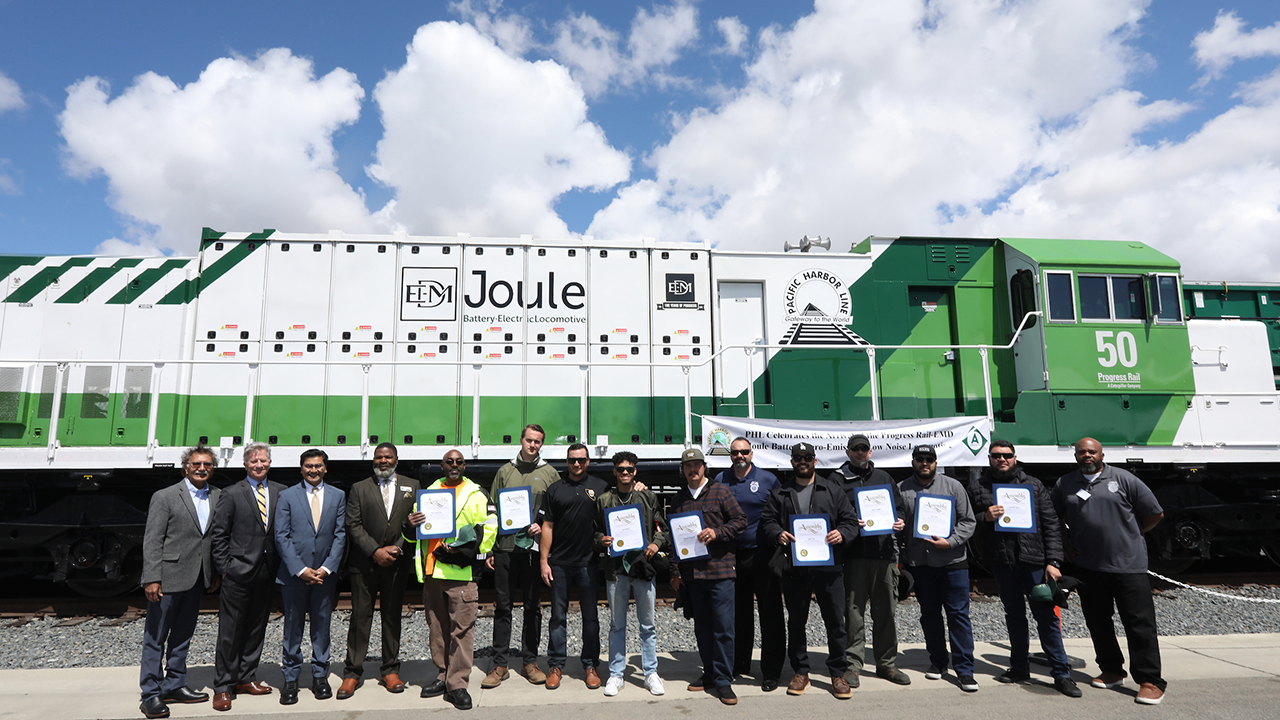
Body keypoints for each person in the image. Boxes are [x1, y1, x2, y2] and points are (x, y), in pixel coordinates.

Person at [1052, 437, 1166, 705]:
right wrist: (1066, 545)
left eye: (1092, 451)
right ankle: (1112, 670)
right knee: (1098, 621)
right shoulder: (1065, 483)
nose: (1087, 455)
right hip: (1088, 566)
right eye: (1081, 452)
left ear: (1102, 454)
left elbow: (1155, 514)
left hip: (1128, 565)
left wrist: (1131, 535)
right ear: (1075, 455)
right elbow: (1054, 517)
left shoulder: (1124, 479)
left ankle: (1150, 680)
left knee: (1139, 624)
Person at [966, 441, 1079, 697]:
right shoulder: (978, 487)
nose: (1002, 460)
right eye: (997, 456)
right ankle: (1019, 667)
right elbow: (965, 523)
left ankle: (1061, 674)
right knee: (1014, 616)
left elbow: (1051, 524)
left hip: (1034, 563)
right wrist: (985, 516)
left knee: (1047, 617)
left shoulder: (1034, 485)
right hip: (1002, 563)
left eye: (1007, 456)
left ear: (1015, 458)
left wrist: (1054, 562)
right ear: (990, 458)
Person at [760, 442, 859, 700]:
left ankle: (838, 672)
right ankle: (801, 671)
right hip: (796, 568)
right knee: (796, 622)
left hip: (829, 567)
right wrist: (777, 534)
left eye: (807, 457)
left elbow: (850, 521)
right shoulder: (781, 492)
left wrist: (842, 533)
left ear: (815, 460)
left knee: (836, 622)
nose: (802, 461)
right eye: (797, 458)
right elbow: (767, 522)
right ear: (792, 462)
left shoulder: (832, 490)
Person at [406, 449, 498, 711]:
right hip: (433, 571)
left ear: (465, 466)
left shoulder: (477, 493)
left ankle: (457, 684)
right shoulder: (430, 492)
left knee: (462, 631)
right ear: (442, 466)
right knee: (437, 629)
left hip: (462, 572)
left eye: (458, 462)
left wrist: (466, 550)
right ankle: (442, 675)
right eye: (449, 462)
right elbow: (415, 534)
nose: (454, 465)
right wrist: (408, 525)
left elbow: (490, 527)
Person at [138, 446, 222, 719]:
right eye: (196, 463)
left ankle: (174, 684)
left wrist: (215, 573)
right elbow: (152, 540)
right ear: (185, 467)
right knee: (155, 637)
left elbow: (211, 539)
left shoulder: (218, 496)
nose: (202, 468)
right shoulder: (165, 496)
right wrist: (152, 577)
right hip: (168, 577)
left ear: (213, 468)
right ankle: (150, 693)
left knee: (183, 635)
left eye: (207, 464)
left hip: (198, 578)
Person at [338, 442, 421, 699]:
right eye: (378, 457)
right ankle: (352, 672)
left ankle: (390, 669)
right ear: (373, 460)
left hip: (396, 561)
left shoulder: (413, 485)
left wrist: (395, 548)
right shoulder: (360, 488)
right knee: (360, 618)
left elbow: (417, 522)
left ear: (397, 459)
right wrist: (375, 551)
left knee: (391, 615)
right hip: (364, 564)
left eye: (388, 457)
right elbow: (353, 525)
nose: (383, 461)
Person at [210, 442, 286, 711]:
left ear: (269, 463)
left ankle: (245, 677)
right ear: (245, 465)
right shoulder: (231, 493)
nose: (258, 465)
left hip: (268, 571)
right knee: (230, 631)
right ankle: (223, 686)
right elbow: (219, 534)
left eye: (263, 461)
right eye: (253, 461)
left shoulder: (280, 492)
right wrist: (226, 567)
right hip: (238, 571)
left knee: (256, 627)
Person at [669, 447, 747, 706]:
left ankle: (724, 681)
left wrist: (717, 532)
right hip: (693, 575)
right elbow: (674, 539)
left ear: (705, 467)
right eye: (688, 466)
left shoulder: (720, 491)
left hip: (721, 571)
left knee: (724, 628)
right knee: (702, 627)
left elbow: (740, 521)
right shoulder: (678, 498)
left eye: (697, 465)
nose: (693, 469)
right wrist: (676, 571)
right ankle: (710, 674)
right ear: (683, 470)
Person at [898, 444, 978, 693]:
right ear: (913, 461)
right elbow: (898, 526)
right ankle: (938, 663)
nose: (925, 463)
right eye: (920, 459)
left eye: (929, 459)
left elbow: (968, 521)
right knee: (929, 615)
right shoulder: (901, 489)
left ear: (935, 462)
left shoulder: (954, 486)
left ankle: (965, 670)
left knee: (958, 616)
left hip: (952, 562)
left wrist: (950, 541)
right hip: (920, 564)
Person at [484, 423, 558, 688]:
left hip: (532, 550)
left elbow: (556, 510)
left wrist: (544, 523)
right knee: (503, 607)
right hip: (505, 549)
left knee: (532, 607)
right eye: (529, 440)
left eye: (538, 441)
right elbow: (491, 512)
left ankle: (530, 662)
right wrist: (491, 548)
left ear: (542, 443)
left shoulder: (549, 473)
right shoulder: (505, 471)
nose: (533, 445)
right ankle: (500, 665)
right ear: (521, 440)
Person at [833, 434, 910, 687]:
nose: (859, 453)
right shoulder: (837, 479)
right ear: (848, 452)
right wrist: (850, 521)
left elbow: (898, 508)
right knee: (853, 612)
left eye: (863, 449)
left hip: (884, 555)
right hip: (853, 555)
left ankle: (886, 664)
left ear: (870, 452)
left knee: (886, 611)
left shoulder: (884, 478)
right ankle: (853, 665)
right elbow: (831, 512)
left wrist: (899, 521)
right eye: (855, 449)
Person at [273, 449, 347, 705]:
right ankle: (291, 679)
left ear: (325, 468)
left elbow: (340, 535)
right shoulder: (287, 496)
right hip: (294, 576)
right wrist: (300, 569)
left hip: (324, 576)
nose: (313, 470)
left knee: (321, 628)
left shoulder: (338, 496)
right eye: (308, 466)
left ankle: (319, 676)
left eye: (317, 466)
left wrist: (326, 569)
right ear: (301, 468)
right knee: (292, 629)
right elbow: (280, 536)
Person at [596, 451, 669, 697]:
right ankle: (616, 674)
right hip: (616, 570)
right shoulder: (605, 500)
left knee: (647, 624)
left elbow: (662, 527)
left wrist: (657, 543)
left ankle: (650, 672)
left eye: (629, 469)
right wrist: (601, 539)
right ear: (614, 472)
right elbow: (594, 531)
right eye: (620, 469)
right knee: (617, 625)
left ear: (635, 471)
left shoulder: (647, 497)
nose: (625, 473)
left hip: (643, 566)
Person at [714, 437, 784, 690]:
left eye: (744, 452)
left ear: (751, 454)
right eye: (735, 452)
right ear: (730, 455)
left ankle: (771, 671)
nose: (740, 456)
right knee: (738, 614)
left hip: (762, 554)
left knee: (770, 613)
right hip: (731, 555)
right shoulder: (721, 480)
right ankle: (739, 663)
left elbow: (780, 512)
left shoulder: (767, 479)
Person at [539, 443, 609, 689]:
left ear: (588, 461)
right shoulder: (555, 489)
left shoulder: (601, 487)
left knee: (590, 617)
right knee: (558, 617)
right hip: (559, 563)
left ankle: (591, 665)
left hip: (589, 563)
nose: (576, 464)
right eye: (572, 460)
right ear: (566, 462)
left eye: (581, 460)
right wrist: (543, 561)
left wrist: (640, 485)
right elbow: (547, 526)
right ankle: (556, 665)